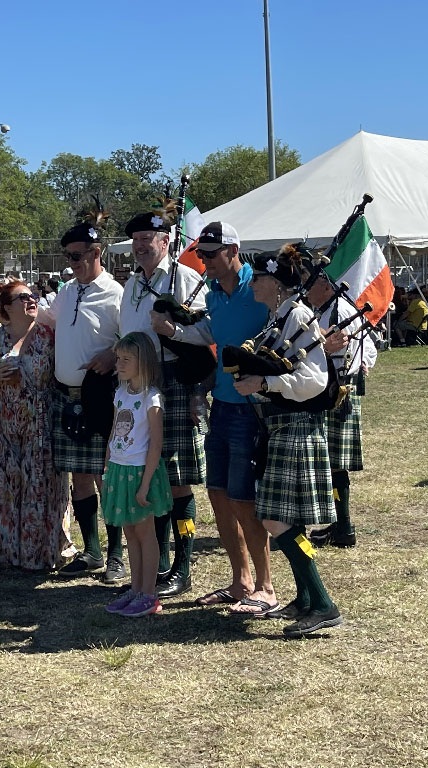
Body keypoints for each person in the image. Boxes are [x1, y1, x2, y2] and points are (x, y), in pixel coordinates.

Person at [153, 222, 276, 614]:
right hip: (221, 405)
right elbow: (210, 333)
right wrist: (174, 331)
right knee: (219, 496)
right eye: (201, 253)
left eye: (210, 253)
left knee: (243, 500)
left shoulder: (260, 287)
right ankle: (241, 582)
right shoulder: (214, 294)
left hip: (252, 409)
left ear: (233, 251)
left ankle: (266, 587)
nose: (204, 260)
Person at [232, 249, 344, 637]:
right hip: (281, 426)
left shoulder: (296, 317)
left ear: (277, 284)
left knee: (275, 520)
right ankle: (306, 599)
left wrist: (265, 382)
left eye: (259, 277)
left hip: (296, 425)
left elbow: (314, 380)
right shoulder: (280, 318)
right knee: (287, 520)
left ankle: (324, 604)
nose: (252, 283)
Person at [123, 202, 209, 598]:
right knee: (150, 475)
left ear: (166, 241)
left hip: (175, 380)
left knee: (176, 480)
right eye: (136, 240)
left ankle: (182, 567)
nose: (140, 245)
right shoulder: (132, 284)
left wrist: (173, 331)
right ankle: (156, 563)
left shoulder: (185, 278)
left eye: (148, 239)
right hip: (140, 383)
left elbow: (207, 333)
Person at [46, 213, 126, 583]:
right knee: (79, 476)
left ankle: (115, 556)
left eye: (77, 256)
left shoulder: (116, 293)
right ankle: (91, 552)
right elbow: (47, 320)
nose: (72, 263)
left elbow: (133, 339)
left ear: (97, 252)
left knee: (105, 478)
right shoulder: (67, 291)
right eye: (68, 256)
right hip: (66, 396)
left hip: (101, 396)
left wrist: (113, 353)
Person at [0, 281, 69, 570]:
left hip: (42, 424)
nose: (31, 301)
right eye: (23, 297)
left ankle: (39, 554)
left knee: (40, 487)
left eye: (33, 296)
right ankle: (6, 552)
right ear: (6, 307)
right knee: (7, 486)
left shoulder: (49, 336)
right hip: (6, 425)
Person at [99, 332, 173, 617]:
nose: (119, 364)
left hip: (140, 472)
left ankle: (149, 594)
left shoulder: (151, 398)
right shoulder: (120, 393)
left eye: (126, 359)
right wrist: (107, 466)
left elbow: (156, 444)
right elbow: (113, 431)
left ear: (143, 361)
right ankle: (136, 588)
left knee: (145, 533)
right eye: (118, 358)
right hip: (119, 469)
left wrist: (145, 485)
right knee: (130, 532)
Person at [307, 267, 379, 549]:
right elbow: (369, 347)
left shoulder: (340, 310)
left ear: (325, 285)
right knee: (332, 462)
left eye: (310, 284)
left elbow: (362, 347)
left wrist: (360, 365)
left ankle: (343, 526)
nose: (305, 290)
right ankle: (339, 524)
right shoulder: (327, 309)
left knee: (335, 462)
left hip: (337, 389)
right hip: (335, 387)